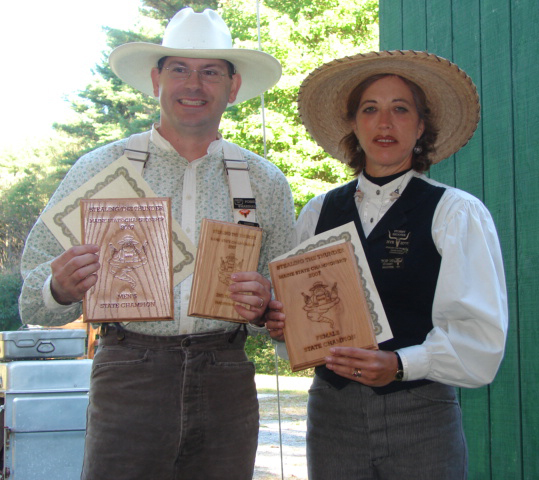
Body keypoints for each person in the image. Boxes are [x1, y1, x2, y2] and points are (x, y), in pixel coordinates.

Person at [19, 8, 295, 480]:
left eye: (210, 72)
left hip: (226, 375)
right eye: (179, 70)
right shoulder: (99, 169)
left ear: (232, 87)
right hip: (129, 372)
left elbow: (287, 309)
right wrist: (59, 287)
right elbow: (32, 299)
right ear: (155, 81)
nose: (194, 84)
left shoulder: (265, 181)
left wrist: (266, 306)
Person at [266, 50, 508, 479]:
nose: (384, 122)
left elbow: (480, 339)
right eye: (370, 109)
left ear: (420, 127)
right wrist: (282, 323)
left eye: (400, 109)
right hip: (332, 414)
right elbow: (295, 323)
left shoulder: (454, 213)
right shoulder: (318, 212)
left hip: (421, 415)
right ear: (353, 125)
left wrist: (400, 365)